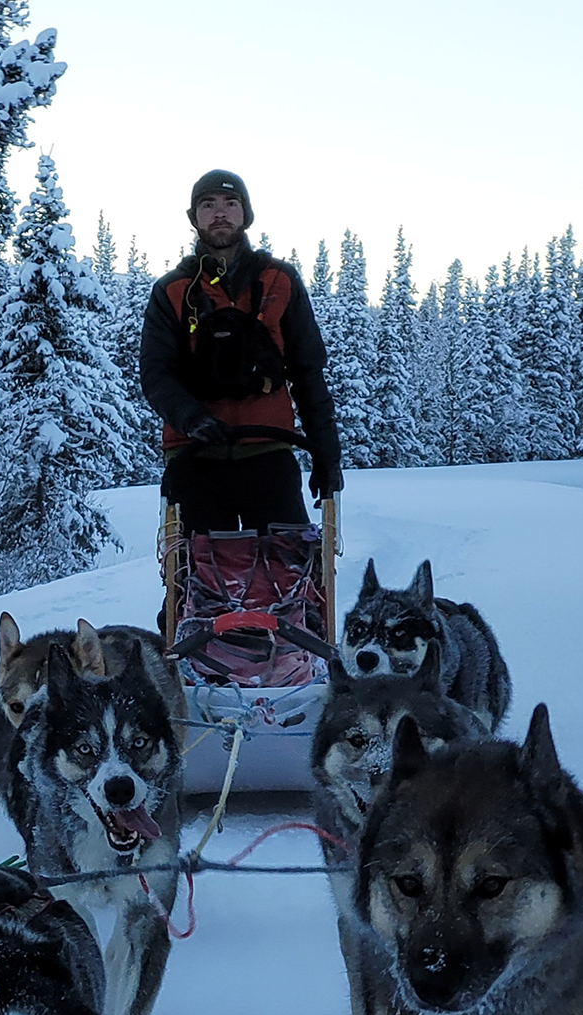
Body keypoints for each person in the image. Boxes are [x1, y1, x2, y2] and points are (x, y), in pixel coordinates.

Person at [138, 168, 342, 680]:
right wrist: (192, 418)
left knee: (292, 570)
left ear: (246, 214)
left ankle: (301, 666)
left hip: (268, 454)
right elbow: (156, 376)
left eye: (229, 202)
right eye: (207, 204)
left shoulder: (279, 282)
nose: (219, 212)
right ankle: (188, 674)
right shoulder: (172, 291)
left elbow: (307, 370)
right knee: (189, 577)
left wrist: (325, 453)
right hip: (194, 456)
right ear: (194, 218)